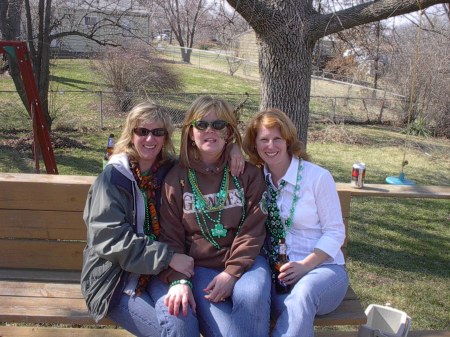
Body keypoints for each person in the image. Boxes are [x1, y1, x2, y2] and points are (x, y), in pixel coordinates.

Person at [81, 102, 245, 337]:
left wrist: (233, 149)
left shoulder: (168, 171)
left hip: (161, 272)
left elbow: (207, 152)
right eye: (142, 131)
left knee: (184, 318)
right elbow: (110, 239)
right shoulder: (113, 180)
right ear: (131, 133)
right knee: (178, 330)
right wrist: (168, 256)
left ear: (166, 137)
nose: (150, 138)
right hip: (116, 281)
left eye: (158, 132)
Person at [153, 95, 271, 337]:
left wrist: (232, 272)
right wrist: (179, 278)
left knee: (252, 294)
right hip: (201, 268)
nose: (210, 130)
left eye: (219, 125)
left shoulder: (248, 174)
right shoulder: (176, 180)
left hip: (247, 262)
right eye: (202, 124)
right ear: (190, 133)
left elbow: (253, 229)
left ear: (228, 132)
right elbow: (171, 237)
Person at [243, 108, 349, 337]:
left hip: (323, 271)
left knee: (302, 295)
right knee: (264, 300)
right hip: (280, 275)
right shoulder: (258, 179)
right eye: (263, 140)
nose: (270, 146)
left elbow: (335, 232)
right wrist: (233, 149)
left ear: (288, 140)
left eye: (276, 139)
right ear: (255, 145)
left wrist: (305, 266)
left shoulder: (317, 177)